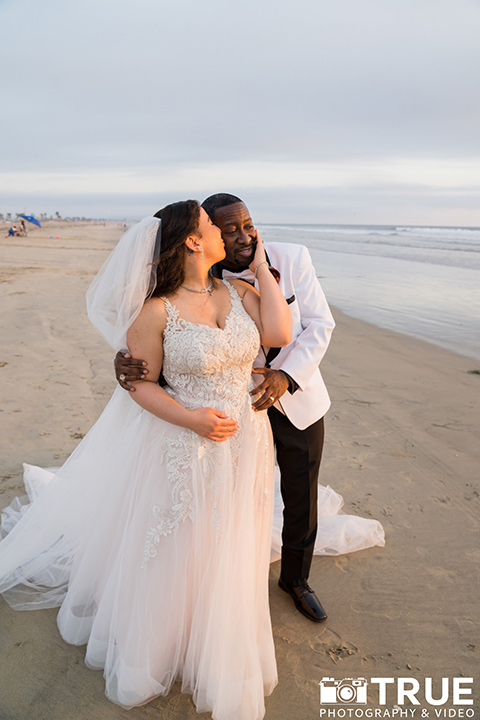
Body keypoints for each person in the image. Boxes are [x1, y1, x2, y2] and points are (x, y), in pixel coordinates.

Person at [0, 200, 293, 720]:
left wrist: (263, 261)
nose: (230, 234)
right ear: (192, 242)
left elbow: (279, 336)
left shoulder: (242, 291)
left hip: (248, 441)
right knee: (184, 540)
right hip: (187, 444)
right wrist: (192, 419)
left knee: (234, 539)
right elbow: (138, 383)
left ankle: (218, 633)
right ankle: (163, 645)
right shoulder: (156, 310)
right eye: (212, 226)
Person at [116, 194, 338, 623]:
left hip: (294, 395)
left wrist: (286, 375)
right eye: (227, 228)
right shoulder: (202, 273)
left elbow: (318, 325)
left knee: (300, 490)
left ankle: (296, 579)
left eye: (247, 225)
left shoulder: (291, 258)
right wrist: (123, 361)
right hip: (219, 408)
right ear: (202, 236)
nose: (240, 235)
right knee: (218, 505)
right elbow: (156, 344)